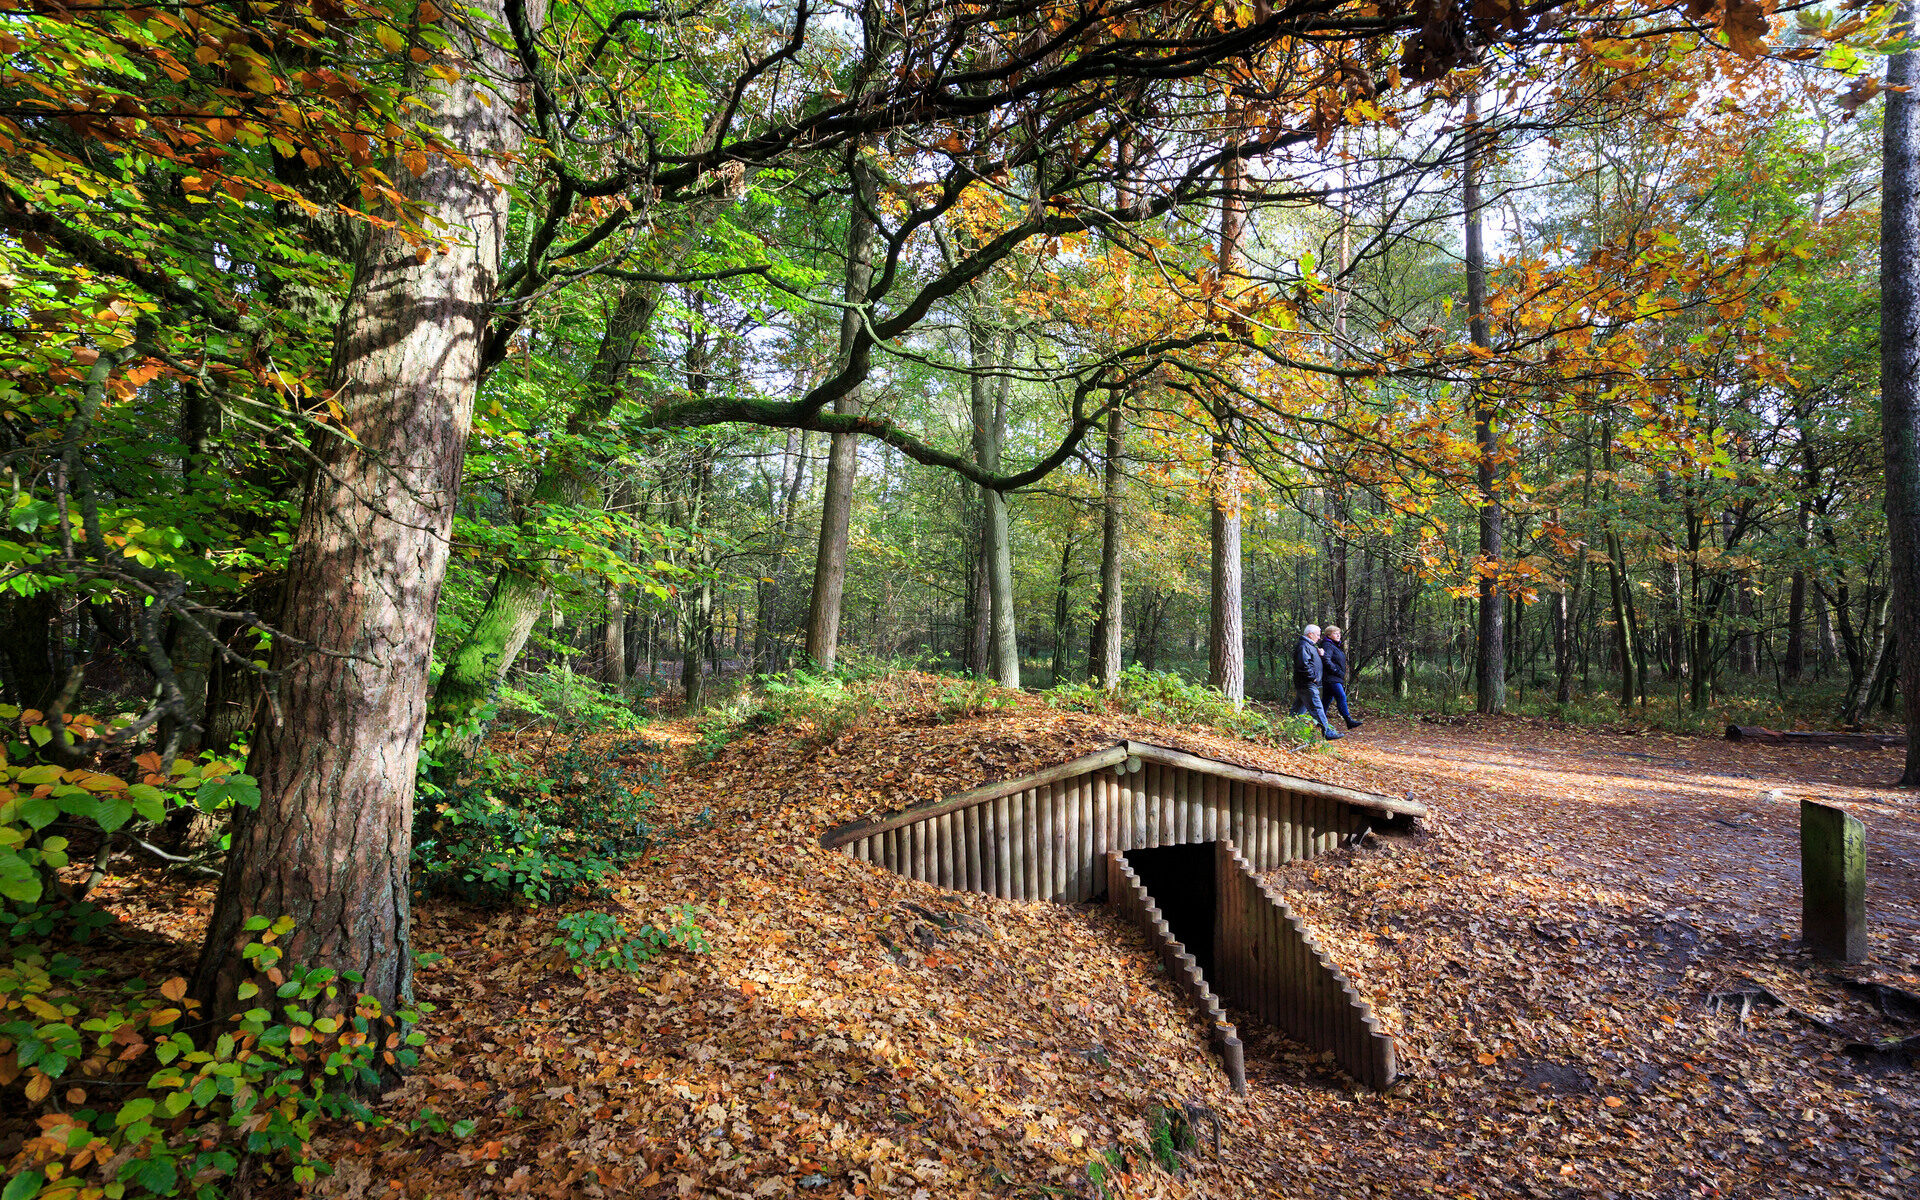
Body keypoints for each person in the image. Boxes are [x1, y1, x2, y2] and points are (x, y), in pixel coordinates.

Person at [1289, 624, 1342, 740]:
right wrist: (1313, 677)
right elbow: (1303, 665)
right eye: (1317, 635)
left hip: (1306, 683)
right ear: (1310, 634)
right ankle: (1327, 731)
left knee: (1297, 710)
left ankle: (1288, 730)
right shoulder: (1304, 646)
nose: (1319, 638)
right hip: (1307, 684)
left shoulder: (1309, 646)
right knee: (1317, 708)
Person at [1320, 625, 1361, 730]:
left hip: (1334, 678)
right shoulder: (1328, 645)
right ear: (1329, 635)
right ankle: (1348, 721)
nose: (1338, 635)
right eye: (1335, 633)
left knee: (1326, 701)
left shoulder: (1334, 645)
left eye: (1339, 633)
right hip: (1332, 678)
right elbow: (1326, 660)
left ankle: (1319, 722)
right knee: (1341, 696)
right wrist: (1336, 671)